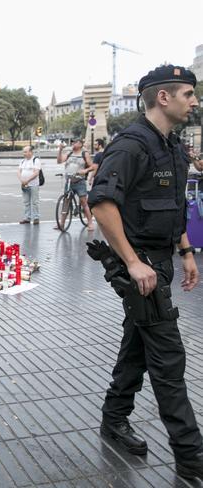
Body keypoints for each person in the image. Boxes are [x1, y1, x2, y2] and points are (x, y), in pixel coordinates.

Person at [88, 65, 203, 479]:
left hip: (161, 263)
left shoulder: (171, 147)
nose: (194, 101)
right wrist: (133, 262)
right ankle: (191, 455)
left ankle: (113, 418)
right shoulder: (131, 145)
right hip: (140, 267)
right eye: (188, 94)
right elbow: (101, 203)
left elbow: (174, 208)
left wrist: (186, 251)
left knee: (137, 345)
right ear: (163, 98)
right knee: (169, 358)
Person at [57, 137, 96, 230]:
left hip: (79, 181)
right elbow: (59, 161)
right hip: (69, 181)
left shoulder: (84, 153)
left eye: (75, 142)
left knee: (83, 202)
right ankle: (61, 223)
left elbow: (93, 166)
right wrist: (60, 150)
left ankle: (90, 223)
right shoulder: (69, 153)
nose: (73, 144)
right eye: (72, 142)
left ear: (80, 144)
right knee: (66, 201)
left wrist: (85, 170)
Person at [17, 145, 41, 224]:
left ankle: (36, 218)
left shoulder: (35, 160)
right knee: (26, 202)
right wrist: (22, 180)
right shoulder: (23, 161)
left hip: (33, 184)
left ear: (30, 152)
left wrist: (27, 180)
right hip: (24, 184)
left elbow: (36, 173)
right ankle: (27, 218)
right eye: (23, 152)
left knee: (35, 202)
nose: (24, 153)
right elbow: (19, 171)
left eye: (25, 152)